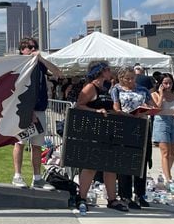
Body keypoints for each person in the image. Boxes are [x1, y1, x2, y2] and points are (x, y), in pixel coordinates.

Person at [75, 61, 128, 212]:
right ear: (101, 71)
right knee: (90, 166)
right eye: (108, 69)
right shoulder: (90, 87)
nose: (110, 72)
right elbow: (79, 105)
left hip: (108, 132)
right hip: (93, 131)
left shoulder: (107, 87)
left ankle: (112, 199)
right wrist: (95, 112)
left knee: (110, 166)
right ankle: (82, 197)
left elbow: (111, 108)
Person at [11, 37, 62, 189]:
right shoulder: (20, 64)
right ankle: (17, 175)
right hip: (24, 111)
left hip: (40, 109)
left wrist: (42, 59)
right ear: (22, 50)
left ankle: (37, 178)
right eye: (30, 47)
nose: (33, 50)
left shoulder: (39, 64)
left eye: (35, 47)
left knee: (37, 145)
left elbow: (57, 73)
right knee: (20, 142)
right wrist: (29, 111)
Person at [110, 65, 156, 209]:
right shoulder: (116, 89)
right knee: (125, 160)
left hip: (142, 126)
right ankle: (125, 194)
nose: (131, 81)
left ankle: (140, 193)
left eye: (133, 78)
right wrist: (129, 114)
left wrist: (145, 110)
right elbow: (116, 108)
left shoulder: (142, 90)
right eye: (127, 78)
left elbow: (152, 106)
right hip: (125, 126)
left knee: (141, 160)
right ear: (121, 78)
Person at [151, 73, 174, 187]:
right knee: (165, 152)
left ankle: (165, 173)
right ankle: (169, 179)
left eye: (170, 82)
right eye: (165, 83)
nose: (168, 85)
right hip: (161, 121)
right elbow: (156, 109)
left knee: (172, 153)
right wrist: (161, 94)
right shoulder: (154, 94)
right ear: (160, 84)